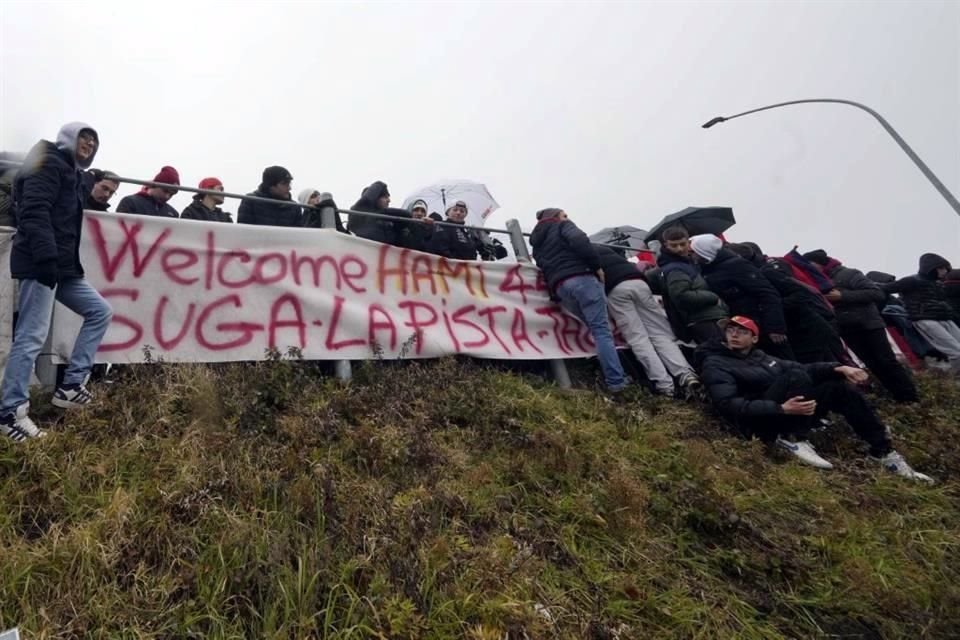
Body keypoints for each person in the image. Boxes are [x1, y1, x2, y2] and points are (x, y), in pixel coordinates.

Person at [699, 316, 933, 481]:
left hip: (788, 411)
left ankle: (882, 451)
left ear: (754, 338)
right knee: (794, 376)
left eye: (742, 331)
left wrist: (839, 367)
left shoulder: (763, 357)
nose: (735, 335)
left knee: (838, 386)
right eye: (731, 330)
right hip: (760, 424)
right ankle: (793, 437)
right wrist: (780, 408)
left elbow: (805, 368)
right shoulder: (716, 362)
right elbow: (726, 404)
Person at [1, 122, 114, 442]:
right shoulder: (48, 162)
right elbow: (34, 211)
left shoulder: (69, 171)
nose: (89, 144)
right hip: (42, 263)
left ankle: (70, 386)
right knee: (31, 336)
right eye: (84, 137)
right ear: (68, 138)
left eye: (94, 141)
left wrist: (88, 176)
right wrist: (46, 258)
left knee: (99, 311)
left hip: (62, 268)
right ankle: (11, 413)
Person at [530, 208, 629, 394]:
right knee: (601, 330)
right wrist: (596, 266)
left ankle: (605, 370)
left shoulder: (538, 243)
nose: (568, 218)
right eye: (565, 215)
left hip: (560, 287)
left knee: (593, 330)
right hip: (582, 278)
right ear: (557, 217)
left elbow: (541, 265)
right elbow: (580, 241)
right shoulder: (563, 226)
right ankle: (617, 382)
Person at [802, 250, 919, 403]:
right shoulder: (816, 282)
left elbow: (876, 293)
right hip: (847, 329)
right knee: (873, 365)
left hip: (869, 325)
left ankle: (910, 398)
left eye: (810, 265)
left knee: (887, 361)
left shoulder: (849, 273)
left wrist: (842, 296)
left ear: (820, 263)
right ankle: (897, 397)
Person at [598, 245, 703, 398]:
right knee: (660, 334)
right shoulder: (604, 250)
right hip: (639, 283)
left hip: (616, 289)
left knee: (638, 339)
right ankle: (685, 374)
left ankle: (665, 385)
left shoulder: (578, 253)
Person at [731, 242, 848, 365]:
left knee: (831, 368)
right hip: (797, 333)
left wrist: (772, 305)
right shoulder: (753, 276)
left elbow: (802, 294)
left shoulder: (768, 271)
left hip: (809, 329)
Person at [690, 234, 795, 360]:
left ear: (703, 251)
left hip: (762, 324)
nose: (691, 255)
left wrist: (775, 327)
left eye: (694, 252)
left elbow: (767, 293)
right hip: (743, 327)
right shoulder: (708, 269)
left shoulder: (735, 265)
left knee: (784, 362)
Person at [647, 225, 728, 344]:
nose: (679, 249)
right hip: (703, 320)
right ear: (666, 245)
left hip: (706, 318)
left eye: (682, 244)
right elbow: (681, 296)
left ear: (688, 242)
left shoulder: (686, 262)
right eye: (674, 245)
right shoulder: (675, 269)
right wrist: (713, 297)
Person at [883, 253, 960, 373]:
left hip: (944, 317)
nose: (944, 271)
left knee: (957, 351)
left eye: (945, 268)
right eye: (941, 268)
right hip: (926, 320)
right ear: (931, 268)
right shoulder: (911, 281)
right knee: (956, 352)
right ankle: (955, 379)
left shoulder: (938, 284)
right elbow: (885, 288)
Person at [348, 181, 426, 245]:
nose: (389, 200)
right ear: (375, 199)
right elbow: (378, 185)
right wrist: (383, 185)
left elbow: (406, 215)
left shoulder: (389, 223)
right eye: (385, 197)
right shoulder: (357, 216)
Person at [116, 166, 181, 218]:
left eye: (172, 194)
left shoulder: (173, 214)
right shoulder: (130, 202)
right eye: (165, 191)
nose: (167, 196)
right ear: (155, 184)